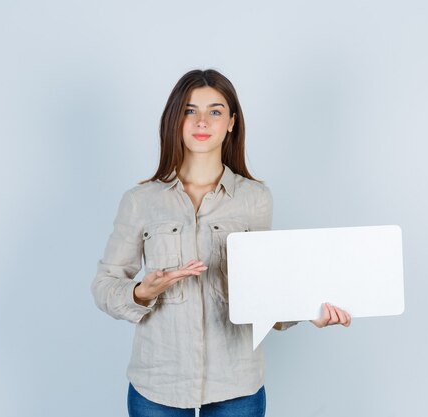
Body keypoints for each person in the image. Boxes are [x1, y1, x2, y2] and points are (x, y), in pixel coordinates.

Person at [91, 69, 351, 417]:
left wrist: (307, 310)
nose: (201, 121)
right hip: (158, 385)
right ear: (174, 120)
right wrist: (142, 292)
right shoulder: (140, 201)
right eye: (189, 110)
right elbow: (105, 284)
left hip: (237, 386)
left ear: (231, 122)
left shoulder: (255, 199)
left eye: (215, 111)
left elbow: (267, 291)